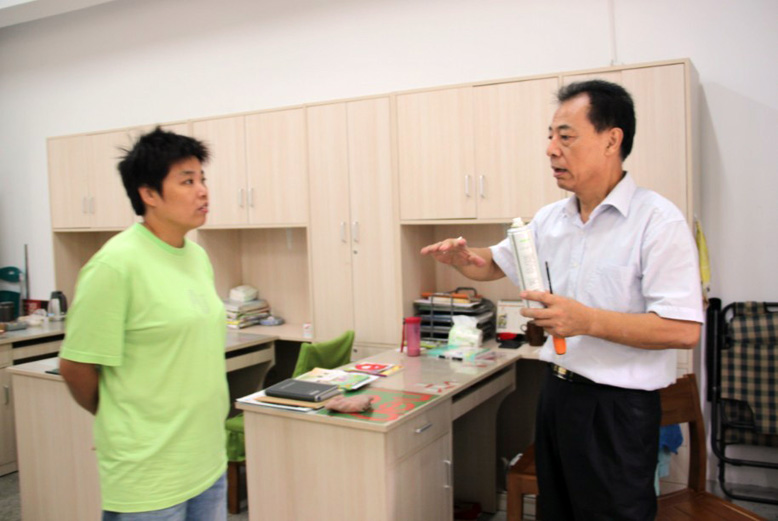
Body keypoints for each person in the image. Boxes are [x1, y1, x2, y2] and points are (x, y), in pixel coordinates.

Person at [421, 80, 703, 520]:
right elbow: (493, 263)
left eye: (566, 136)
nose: (551, 149)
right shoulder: (551, 219)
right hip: (557, 393)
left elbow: (683, 330)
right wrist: (464, 259)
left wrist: (586, 321)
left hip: (618, 409)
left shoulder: (657, 221)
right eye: (550, 136)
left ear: (611, 140)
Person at [59, 128, 229, 521]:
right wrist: (119, 418)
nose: (203, 191)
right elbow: (75, 366)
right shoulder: (115, 265)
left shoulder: (196, 256)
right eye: (187, 181)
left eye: (202, 179)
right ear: (149, 194)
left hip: (205, 458)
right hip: (148, 471)